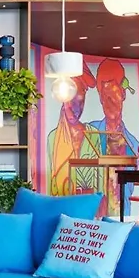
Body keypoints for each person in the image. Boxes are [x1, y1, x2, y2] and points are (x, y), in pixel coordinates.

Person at [85, 59, 139, 216]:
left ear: (123, 94)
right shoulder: (90, 132)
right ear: (100, 98)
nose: (109, 102)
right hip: (94, 217)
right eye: (105, 97)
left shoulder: (134, 145)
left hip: (123, 216)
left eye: (113, 96)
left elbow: (131, 187)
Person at [47, 65, 101, 196]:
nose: (74, 109)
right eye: (70, 102)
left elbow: (100, 176)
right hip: (63, 200)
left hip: (88, 201)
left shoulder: (93, 134)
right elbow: (50, 180)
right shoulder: (53, 137)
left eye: (80, 102)